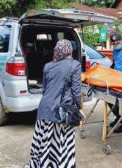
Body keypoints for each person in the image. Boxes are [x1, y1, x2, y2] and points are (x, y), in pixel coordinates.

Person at [26, 39, 84, 168]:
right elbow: (76, 90)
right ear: (69, 50)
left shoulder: (47, 66)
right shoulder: (74, 65)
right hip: (61, 112)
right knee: (61, 144)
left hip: (44, 109)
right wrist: (79, 107)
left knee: (43, 142)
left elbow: (45, 89)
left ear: (56, 50)